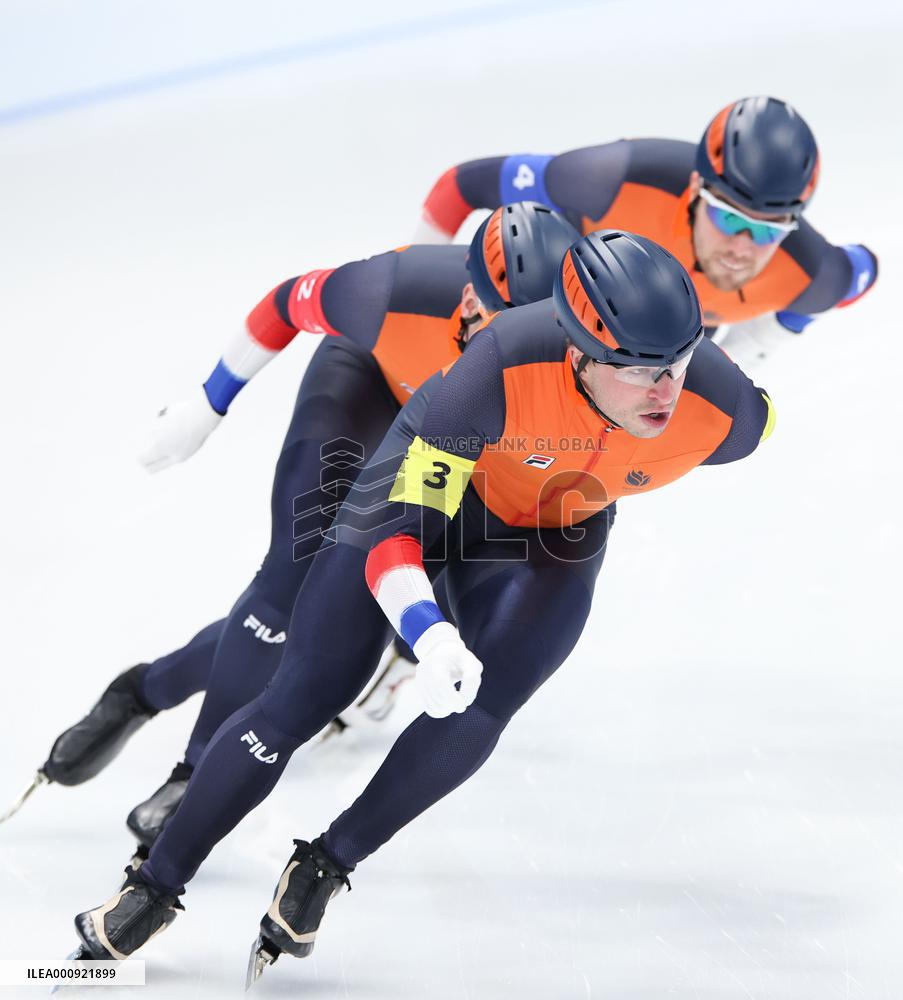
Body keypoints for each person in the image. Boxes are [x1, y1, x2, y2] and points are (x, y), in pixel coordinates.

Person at [73, 230, 774, 981]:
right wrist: (429, 634)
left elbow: (760, 373)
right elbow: (395, 540)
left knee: (488, 697)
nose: (665, 393)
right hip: (437, 498)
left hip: (556, 520)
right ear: (578, 350)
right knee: (302, 695)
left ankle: (323, 865)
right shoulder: (499, 368)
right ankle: (150, 890)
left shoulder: (724, 416)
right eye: (639, 372)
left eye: (675, 364)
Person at [6, 204, 579, 848]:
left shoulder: (558, 361)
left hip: (453, 442)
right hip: (370, 390)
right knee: (295, 576)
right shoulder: (392, 292)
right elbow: (284, 303)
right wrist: (207, 403)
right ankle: (193, 774)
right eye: (505, 327)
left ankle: (145, 688)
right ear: (471, 297)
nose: (513, 351)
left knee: (351, 612)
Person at [414, 95, 877, 367]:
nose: (742, 247)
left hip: (674, 330)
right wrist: (419, 272)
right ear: (697, 189)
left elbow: (863, 270)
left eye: (767, 231)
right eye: (728, 217)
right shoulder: (611, 180)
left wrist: (754, 347)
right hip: (564, 279)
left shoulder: (818, 276)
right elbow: (461, 185)